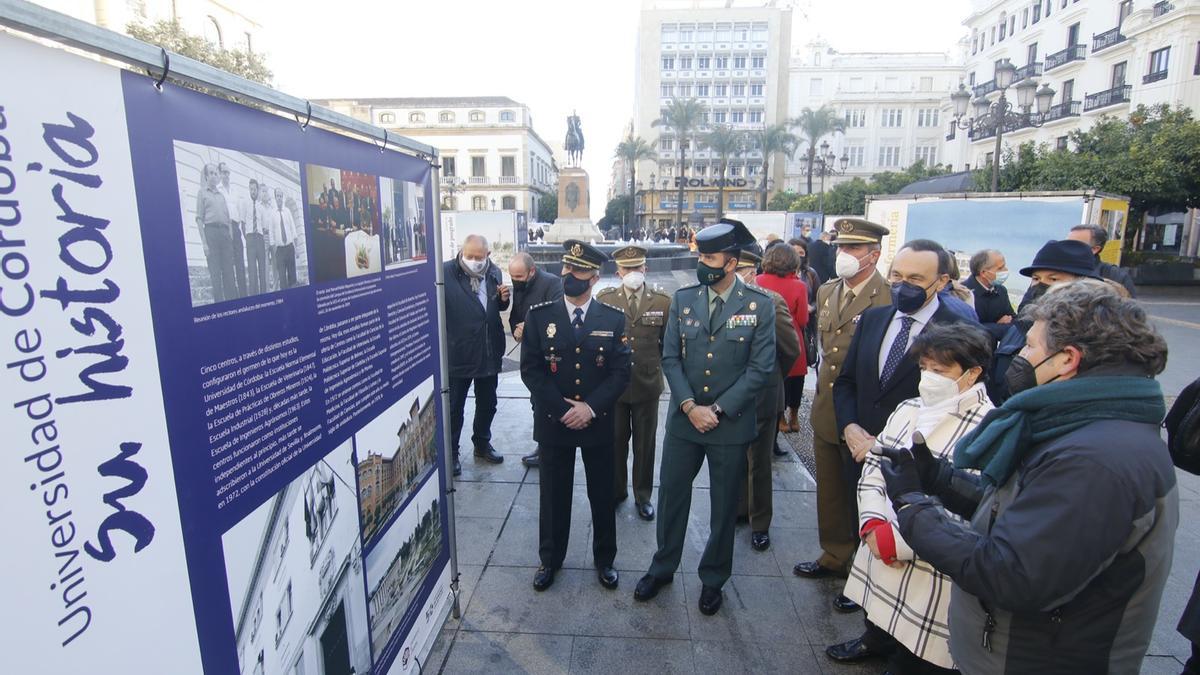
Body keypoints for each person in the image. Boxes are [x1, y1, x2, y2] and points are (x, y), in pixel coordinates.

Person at [877, 280, 1175, 674]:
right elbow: (1022, 513)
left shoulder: (1094, 460)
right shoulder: (1079, 427)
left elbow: (1010, 573)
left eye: (1031, 346)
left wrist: (913, 505)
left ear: (1067, 359)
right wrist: (940, 479)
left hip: (1032, 658)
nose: (1017, 354)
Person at [830, 323, 994, 671]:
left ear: (973, 372)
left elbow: (974, 503)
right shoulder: (909, 408)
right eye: (924, 368)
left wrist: (898, 540)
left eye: (940, 370)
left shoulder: (988, 426)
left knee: (918, 645)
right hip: (881, 533)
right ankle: (874, 641)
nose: (929, 377)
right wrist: (873, 521)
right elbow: (875, 465)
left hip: (925, 555)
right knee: (879, 611)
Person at [634, 218, 776, 616]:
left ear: (731, 263)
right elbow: (670, 358)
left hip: (729, 424)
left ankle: (713, 579)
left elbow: (760, 369)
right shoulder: (683, 299)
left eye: (709, 257)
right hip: (684, 422)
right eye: (700, 255)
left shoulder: (758, 306)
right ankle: (662, 567)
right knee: (672, 495)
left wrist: (715, 409)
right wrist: (689, 407)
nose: (702, 263)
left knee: (723, 505)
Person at [520, 240, 630, 592]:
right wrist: (564, 409)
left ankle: (605, 560)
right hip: (555, 422)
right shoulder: (540, 316)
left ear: (595, 277)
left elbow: (620, 372)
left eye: (579, 270)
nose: (570, 275)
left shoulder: (613, 319)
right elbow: (531, 370)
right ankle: (549, 560)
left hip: (597, 422)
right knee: (553, 495)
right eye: (567, 268)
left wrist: (590, 408)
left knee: (602, 493)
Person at [793, 218, 891, 606]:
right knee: (831, 491)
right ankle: (834, 554)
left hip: (865, 416)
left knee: (864, 495)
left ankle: (863, 572)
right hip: (826, 408)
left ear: (874, 255)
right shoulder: (831, 290)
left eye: (852, 249)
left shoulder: (887, 298)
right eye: (840, 248)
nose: (842, 255)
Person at [596, 246, 671, 521]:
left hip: (647, 384)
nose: (632, 274)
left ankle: (643, 495)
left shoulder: (663, 301)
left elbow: (669, 344)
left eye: (637, 268)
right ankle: (616, 491)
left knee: (645, 444)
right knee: (615, 442)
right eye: (626, 269)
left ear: (645, 269)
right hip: (614, 387)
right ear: (618, 272)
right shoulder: (605, 299)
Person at [734, 245, 800, 550]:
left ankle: (760, 523)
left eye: (741, 271)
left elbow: (790, 349)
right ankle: (738, 509)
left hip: (762, 396)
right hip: (728, 397)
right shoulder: (716, 301)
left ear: (751, 273)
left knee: (759, 463)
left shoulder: (771, 302)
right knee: (733, 460)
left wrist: (771, 378)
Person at [985, 239, 1104, 405]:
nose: (1040, 285)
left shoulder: (1093, 342)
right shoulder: (1018, 329)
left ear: (1081, 285)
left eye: (1053, 279)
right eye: (1036, 278)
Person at [444, 234, 509, 476]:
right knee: (454, 407)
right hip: (458, 353)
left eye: (478, 257)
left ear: (487, 255)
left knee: (488, 403)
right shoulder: (445, 273)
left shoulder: (494, 273)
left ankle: (482, 443)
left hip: (488, 351)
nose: (473, 261)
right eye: (469, 256)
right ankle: (451, 454)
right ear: (462, 252)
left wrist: (503, 301)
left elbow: (493, 306)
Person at [509, 252, 565, 469]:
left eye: (519, 276)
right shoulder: (520, 285)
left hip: (551, 356)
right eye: (512, 276)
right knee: (537, 403)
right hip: (532, 356)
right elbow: (516, 314)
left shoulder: (552, 284)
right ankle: (543, 447)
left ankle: (551, 448)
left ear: (531, 271)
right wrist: (516, 329)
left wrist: (529, 328)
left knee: (549, 402)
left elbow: (557, 318)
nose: (516, 280)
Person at [754, 244, 809, 436]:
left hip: (762, 338)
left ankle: (781, 419)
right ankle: (793, 416)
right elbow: (803, 319)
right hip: (791, 338)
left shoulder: (757, 280)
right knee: (795, 382)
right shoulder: (799, 286)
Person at [195, 163, 237, 304]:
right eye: (211, 173)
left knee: (229, 273)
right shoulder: (202, 193)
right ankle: (219, 307)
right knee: (215, 274)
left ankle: (231, 306)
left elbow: (228, 219)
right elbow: (199, 219)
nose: (214, 175)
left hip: (224, 235)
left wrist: (230, 237)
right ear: (206, 176)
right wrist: (204, 243)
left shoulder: (221, 196)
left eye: (215, 173)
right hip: (211, 233)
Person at [1067, 223, 1137, 297]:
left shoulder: (1115, 276)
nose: (1067, 248)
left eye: (1074, 245)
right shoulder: (1056, 269)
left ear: (1094, 249)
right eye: (1066, 244)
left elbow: (1128, 306)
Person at [963, 248, 1015, 343]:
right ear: (983, 273)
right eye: (1000, 268)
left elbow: (1013, 323)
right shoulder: (962, 293)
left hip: (991, 353)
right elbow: (966, 331)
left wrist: (986, 327)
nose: (1005, 270)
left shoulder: (1001, 291)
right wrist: (997, 326)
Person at [219, 162, 248, 299]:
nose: (226, 175)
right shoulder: (217, 191)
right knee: (228, 264)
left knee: (240, 263)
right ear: (219, 174)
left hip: (236, 229)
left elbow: (240, 211)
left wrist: (241, 229)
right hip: (224, 229)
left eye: (228, 172)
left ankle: (243, 295)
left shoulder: (235, 191)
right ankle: (232, 296)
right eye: (224, 172)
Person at [270, 188, 298, 290]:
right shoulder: (272, 214)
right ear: (275, 197)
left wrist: (296, 248)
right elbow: (271, 233)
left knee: (292, 277)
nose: (279, 198)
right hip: (280, 251)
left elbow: (293, 229)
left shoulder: (288, 211)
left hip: (290, 248)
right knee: (282, 279)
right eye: (277, 196)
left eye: (281, 196)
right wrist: (275, 251)